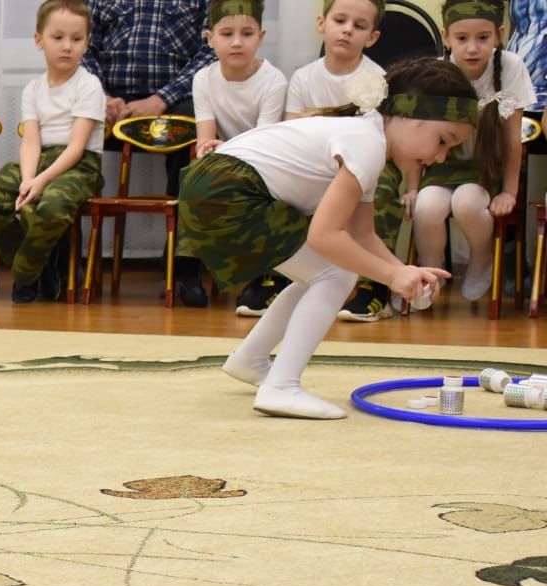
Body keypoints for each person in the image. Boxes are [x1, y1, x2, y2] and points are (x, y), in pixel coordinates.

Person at [179, 57, 475, 419]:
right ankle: (281, 387)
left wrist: (403, 271)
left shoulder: (367, 139)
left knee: (320, 273)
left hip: (213, 186)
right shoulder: (366, 143)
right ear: (406, 115)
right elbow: (325, 235)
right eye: (442, 141)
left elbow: (361, 234)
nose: (440, 157)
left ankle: (251, 359)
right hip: (227, 191)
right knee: (335, 273)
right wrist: (392, 277)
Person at [0, 0, 104, 303]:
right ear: (38, 39)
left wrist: (40, 182)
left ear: (87, 42)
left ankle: (25, 274)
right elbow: (30, 141)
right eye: (58, 38)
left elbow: (77, 147)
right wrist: (28, 179)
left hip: (77, 165)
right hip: (38, 160)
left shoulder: (90, 85)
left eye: (77, 39)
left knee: (51, 209)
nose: (67, 46)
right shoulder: (32, 89)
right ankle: (38, 268)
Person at [81, 0, 217, 307]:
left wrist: (161, 99)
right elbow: (83, 45)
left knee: (194, 131)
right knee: (63, 126)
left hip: (173, 100)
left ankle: (183, 268)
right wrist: (99, 94)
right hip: (108, 102)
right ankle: (61, 267)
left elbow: (209, 52)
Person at [403, 0, 534, 309]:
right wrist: (412, 187)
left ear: (499, 35)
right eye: (462, 39)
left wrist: (509, 191)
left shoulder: (511, 67)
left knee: (466, 202)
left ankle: (481, 260)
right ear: (447, 37)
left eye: (483, 38)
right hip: (442, 165)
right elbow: (416, 137)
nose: (472, 48)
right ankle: (432, 271)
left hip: (486, 169)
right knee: (426, 206)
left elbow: (514, 139)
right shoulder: (435, 73)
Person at [284, 0, 395, 323]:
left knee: (381, 191)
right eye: (340, 20)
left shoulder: (377, 79)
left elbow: (377, 138)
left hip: (362, 166)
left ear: (371, 37)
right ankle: (278, 279)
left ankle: (375, 289)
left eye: (359, 26)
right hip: (315, 165)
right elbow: (293, 131)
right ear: (322, 23)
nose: (347, 30)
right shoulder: (303, 78)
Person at [191, 0, 288, 317]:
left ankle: (263, 278)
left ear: (261, 36)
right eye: (227, 33)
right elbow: (204, 139)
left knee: (255, 193)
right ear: (210, 38)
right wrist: (209, 150)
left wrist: (226, 149)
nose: (236, 42)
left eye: (246, 33)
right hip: (226, 158)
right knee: (195, 182)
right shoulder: (203, 79)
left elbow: (266, 142)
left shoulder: (274, 81)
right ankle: (189, 271)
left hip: (265, 162)